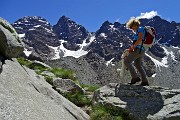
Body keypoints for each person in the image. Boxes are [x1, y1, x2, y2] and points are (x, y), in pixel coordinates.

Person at [124, 17, 149, 86]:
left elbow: (140, 39)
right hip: (141, 50)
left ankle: (135, 77)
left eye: (131, 27)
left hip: (138, 50)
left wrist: (133, 47)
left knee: (126, 61)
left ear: (135, 25)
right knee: (138, 65)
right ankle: (145, 81)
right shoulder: (138, 31)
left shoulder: (140, 29)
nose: (131, 29)